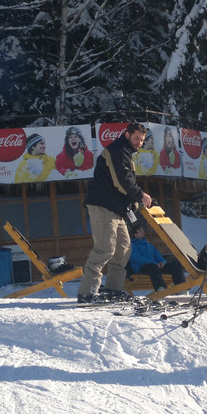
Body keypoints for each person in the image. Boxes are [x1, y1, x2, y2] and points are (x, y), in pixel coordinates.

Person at [80, 123, 152, 303]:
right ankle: (87, 293)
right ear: (127, 135)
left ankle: (114, 289)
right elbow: (122, 181)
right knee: (105, 248)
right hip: (103, 206)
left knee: (123, 249)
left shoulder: (126, 153)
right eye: (136, 138)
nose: (139, 143)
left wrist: (135, 203)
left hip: (116, 209)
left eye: (142, 140)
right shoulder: (117, 150)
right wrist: (140, 195)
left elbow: (123, 187)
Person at [127, 223, 185, 290]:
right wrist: (154, 263)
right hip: (142, 268)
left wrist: (162, 262)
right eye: (139, 230)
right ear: (135, 234)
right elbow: (138, 259)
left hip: (155, 267)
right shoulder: (132, 246)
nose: (142, 231)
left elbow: (158, 255)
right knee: (152, 267)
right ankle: (161, 288)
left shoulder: (149, 245)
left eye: (142, 229)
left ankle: (181, 287)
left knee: (176, 264)